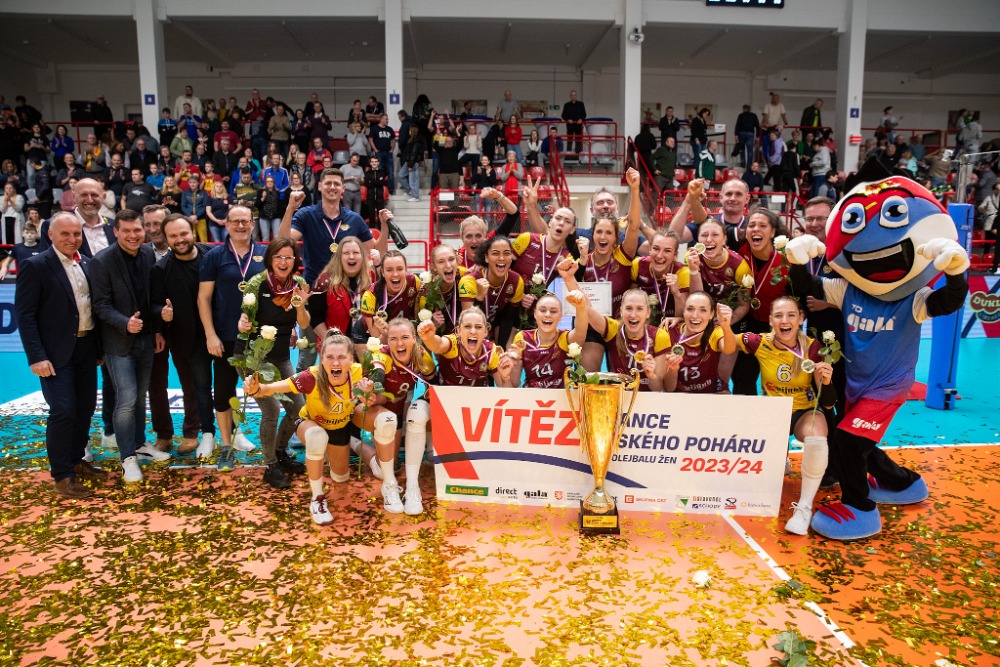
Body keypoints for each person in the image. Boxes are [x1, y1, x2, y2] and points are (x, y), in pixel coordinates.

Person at [15, 213, 110, 497]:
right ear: (51, 235)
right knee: (63, 410)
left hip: (86, 348)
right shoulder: (35, 266)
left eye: (76, 234)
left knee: (85, 408)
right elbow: (25, 315)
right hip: (54, 354)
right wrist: (36, 357)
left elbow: (92, 309)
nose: (72, 239)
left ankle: (76, 460)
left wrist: (98, 349)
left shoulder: (88, 263)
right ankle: (62, 474)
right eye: (65, 234)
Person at [736, 296, 834, 535]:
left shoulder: (813, 348)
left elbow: (829, 403)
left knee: (817, 437)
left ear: (801, 319)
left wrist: (826, 381)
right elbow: (724, 341)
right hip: (773, 414)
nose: (785, 320)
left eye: (791, 315)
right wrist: (723, 324)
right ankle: (780, 458)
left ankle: (804, 508)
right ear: (770, 320)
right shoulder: (760, 342)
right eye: (778, 315)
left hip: (803, 411)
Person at [90, 209, 170, 483]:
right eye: (126, 230)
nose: (133, 235)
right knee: (125, 400)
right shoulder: (102, 261)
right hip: (118, 342)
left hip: (146, 339)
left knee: (139, 397)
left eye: (137, 229)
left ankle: (138, 444)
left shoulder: (147, 254)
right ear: (116, 232)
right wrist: (125, 323)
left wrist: (157, 326)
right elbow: (100, 305)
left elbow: (152, 299)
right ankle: (127, 458)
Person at [235, 238, 310, 488]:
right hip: (252, 356)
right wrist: (243, 323)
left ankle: (280, 453)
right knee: (271, 410)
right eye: (278, 257)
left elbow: (304, 322)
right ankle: (270, 465)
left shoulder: (299, 285)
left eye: (288, 257)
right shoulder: (256, 284)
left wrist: (300, 310)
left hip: (280, 356)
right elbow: (245, 319)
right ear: (270, 259)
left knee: (298, 409)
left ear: (295, 261)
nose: (283, 262)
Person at [197, 204, 262, 465]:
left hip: (259, 337)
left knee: (265, 391)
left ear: (253, 223)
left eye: (245, 221)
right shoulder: (215, 256)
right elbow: (203, 298)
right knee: (224, 392)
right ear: (226, 224)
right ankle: (226, 445)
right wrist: (210, 335)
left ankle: (274, 446)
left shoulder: (264, 254)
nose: (240, 226)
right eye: (235, 221)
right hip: (225, 336)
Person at [150, 213, 216, 457]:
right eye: (173, 236)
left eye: (183, 233)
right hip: (183, 337)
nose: (179, 239)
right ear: (166, 238)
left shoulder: (212, 255)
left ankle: (231, 431)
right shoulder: (161, 268)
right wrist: (162, 313)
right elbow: (155, 303)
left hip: (218, 333)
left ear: (193, 232)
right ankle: (191, 433)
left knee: (223, 384)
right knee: (192, 386)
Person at [370, 317, 438, 514]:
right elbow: (377, 375)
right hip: (376, 408)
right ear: (387, 341)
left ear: (414, 339)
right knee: (382, 469)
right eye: (393, 339)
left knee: (391, 464)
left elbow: (434, 384)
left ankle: (412, 487)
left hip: (398, 410)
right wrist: (373, 385)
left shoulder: (421, 356)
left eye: (405, 337)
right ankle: (356, 445)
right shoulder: (381, 355)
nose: (399, 343)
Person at [279, 168, 375, 285]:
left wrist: (384, 227)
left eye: (337, 184)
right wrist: (290, 208)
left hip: (347, 288)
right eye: (328, 183)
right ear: (320, 186)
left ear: (343, 188)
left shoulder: (355, 219)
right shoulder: (306, 215)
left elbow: (375, 249)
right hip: (313, 287)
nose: (332, 187)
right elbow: (283, 242)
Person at [585, 287, 671, 392]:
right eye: (629, 308)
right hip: (619, 397)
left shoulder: (659, 336)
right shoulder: (614, 330)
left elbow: (658, 389)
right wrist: (569, 279)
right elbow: (587, 308)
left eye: (639, 309)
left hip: (648, 398)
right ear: (621, 311)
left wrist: (651, 375)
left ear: (648, 312)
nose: (633, 315)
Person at [507, 290, 589, 389]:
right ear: (535, 313)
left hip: (559, 396)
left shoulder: (564, 338)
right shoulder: (523, 338)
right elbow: (514, 383)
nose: (548, 314)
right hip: (530, 395)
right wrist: (513, 364)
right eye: (543, 310)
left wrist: (581, 308)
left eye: (553, 311)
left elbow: (580, 332)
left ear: (560, 316)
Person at [418, 307, 514, 388]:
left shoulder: (491, 351)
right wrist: (429, 338)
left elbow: (508, 395)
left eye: (478, 327)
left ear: (485, 331)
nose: (473, 331)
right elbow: (437, 345)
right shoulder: (452, 343)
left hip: (476, 400)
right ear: (458, 330)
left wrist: (505, 378)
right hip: (445, 399)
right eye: (467, 326)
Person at [663, 291, 736, 394]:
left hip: (709, 393)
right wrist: (673, 369)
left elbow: (729, 349)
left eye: (703, 310)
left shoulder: (715, 331)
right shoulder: (669, 332)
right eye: (690, 309)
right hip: (679, 394)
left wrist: (726, 326)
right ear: (684, 312)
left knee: (725, 396)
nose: (695, 315)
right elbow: (668, 388)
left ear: (711, 314)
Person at [367, 113, 395, 193]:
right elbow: (370, 140)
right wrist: (375, 150)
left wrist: (392, 149)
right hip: (379, 152)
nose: (387, 120)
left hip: (388, 152)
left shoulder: (390, 129)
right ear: (381, 119)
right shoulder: (375, 128)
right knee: (379, 171)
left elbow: (393, 140)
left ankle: (391, 190)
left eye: (387, 119)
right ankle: (380, 189)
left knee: (390, 172)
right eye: (386, 119)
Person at [397, 126, 426, 202]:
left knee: (413, 180)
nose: (409, 131)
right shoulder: (411, 140)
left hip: (412, 163)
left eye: (410, 130)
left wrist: (410, 165)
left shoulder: (416, 141)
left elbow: (414, 154)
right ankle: (409, 190)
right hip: (408, 162)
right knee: (401, 175)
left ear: (412, 131)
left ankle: (415, 196)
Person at [256, 175, 287, 243]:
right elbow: (257, 205)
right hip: (264, 216)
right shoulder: (261, 191)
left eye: (271, 181)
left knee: (277, 237)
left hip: (276, 216)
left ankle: (276, 250)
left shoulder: (277, 192)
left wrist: (281, 216)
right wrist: (263, 198)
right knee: (265, 238)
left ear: (274, 183)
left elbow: (279, 205)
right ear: (265, 183)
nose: (269, 183)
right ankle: (265, 250)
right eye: (268, 181)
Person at [761, 92, 788, 160]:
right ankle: (766, 158)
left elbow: (783, 115)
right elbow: (765, 115)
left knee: (776, 143)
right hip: (768, 127)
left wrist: (786, 123)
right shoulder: (767, 105)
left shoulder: (780, 105)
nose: (777, 100)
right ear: (772, 99)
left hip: (775, 127)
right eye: (775, 98)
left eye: (778, 99)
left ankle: (775, 158)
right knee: (766, 143)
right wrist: (766, 123)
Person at [734, 104, 760, 169]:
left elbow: (737, 125)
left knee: (742, 149)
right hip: (750, 133)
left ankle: (743, 163)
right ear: (749, 109)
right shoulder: (753, 115)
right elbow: (757, 126)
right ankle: (749, 165)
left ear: (744, 109)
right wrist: (757, 136)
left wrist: (736, 134)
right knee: (750, 150)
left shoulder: (741, 115)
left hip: (742, 133)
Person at [561, 90, 587, 155]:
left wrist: (581, 119)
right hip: (570, 126)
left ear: (576, 96)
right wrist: (568, 119)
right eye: (572, 95)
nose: (573, 96)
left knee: (578, 141)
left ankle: (578, 155)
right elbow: (563, 115)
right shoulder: (566, 105)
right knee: (569, 141)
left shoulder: (581, 104)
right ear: (570, 96)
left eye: (574, 95)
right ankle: (568, 156)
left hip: (578, 126)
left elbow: (584, 114)